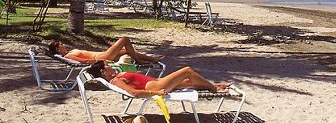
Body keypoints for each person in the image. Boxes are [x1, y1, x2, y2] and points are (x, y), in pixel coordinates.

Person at [86, 60, 231, 97]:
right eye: (107, 66)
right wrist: (156, 93)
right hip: (156, 87)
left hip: (156, 83)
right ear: (103, 72)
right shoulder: (115, 80)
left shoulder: (115, 75)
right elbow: (134, 93)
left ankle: (214, 85)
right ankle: (214, 89)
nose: (110, 65)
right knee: (187, 71)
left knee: (189, 81)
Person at [48, 37, 162, 64]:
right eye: (62, 45)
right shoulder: (68, 57)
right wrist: (102, 62)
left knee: (127, 50)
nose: (64, 45)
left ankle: (152, 59)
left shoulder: (69, 53)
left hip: (103, 55)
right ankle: (139, 61)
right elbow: (84, 62)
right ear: (58, 49)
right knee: (124, 39)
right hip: (102, 57)